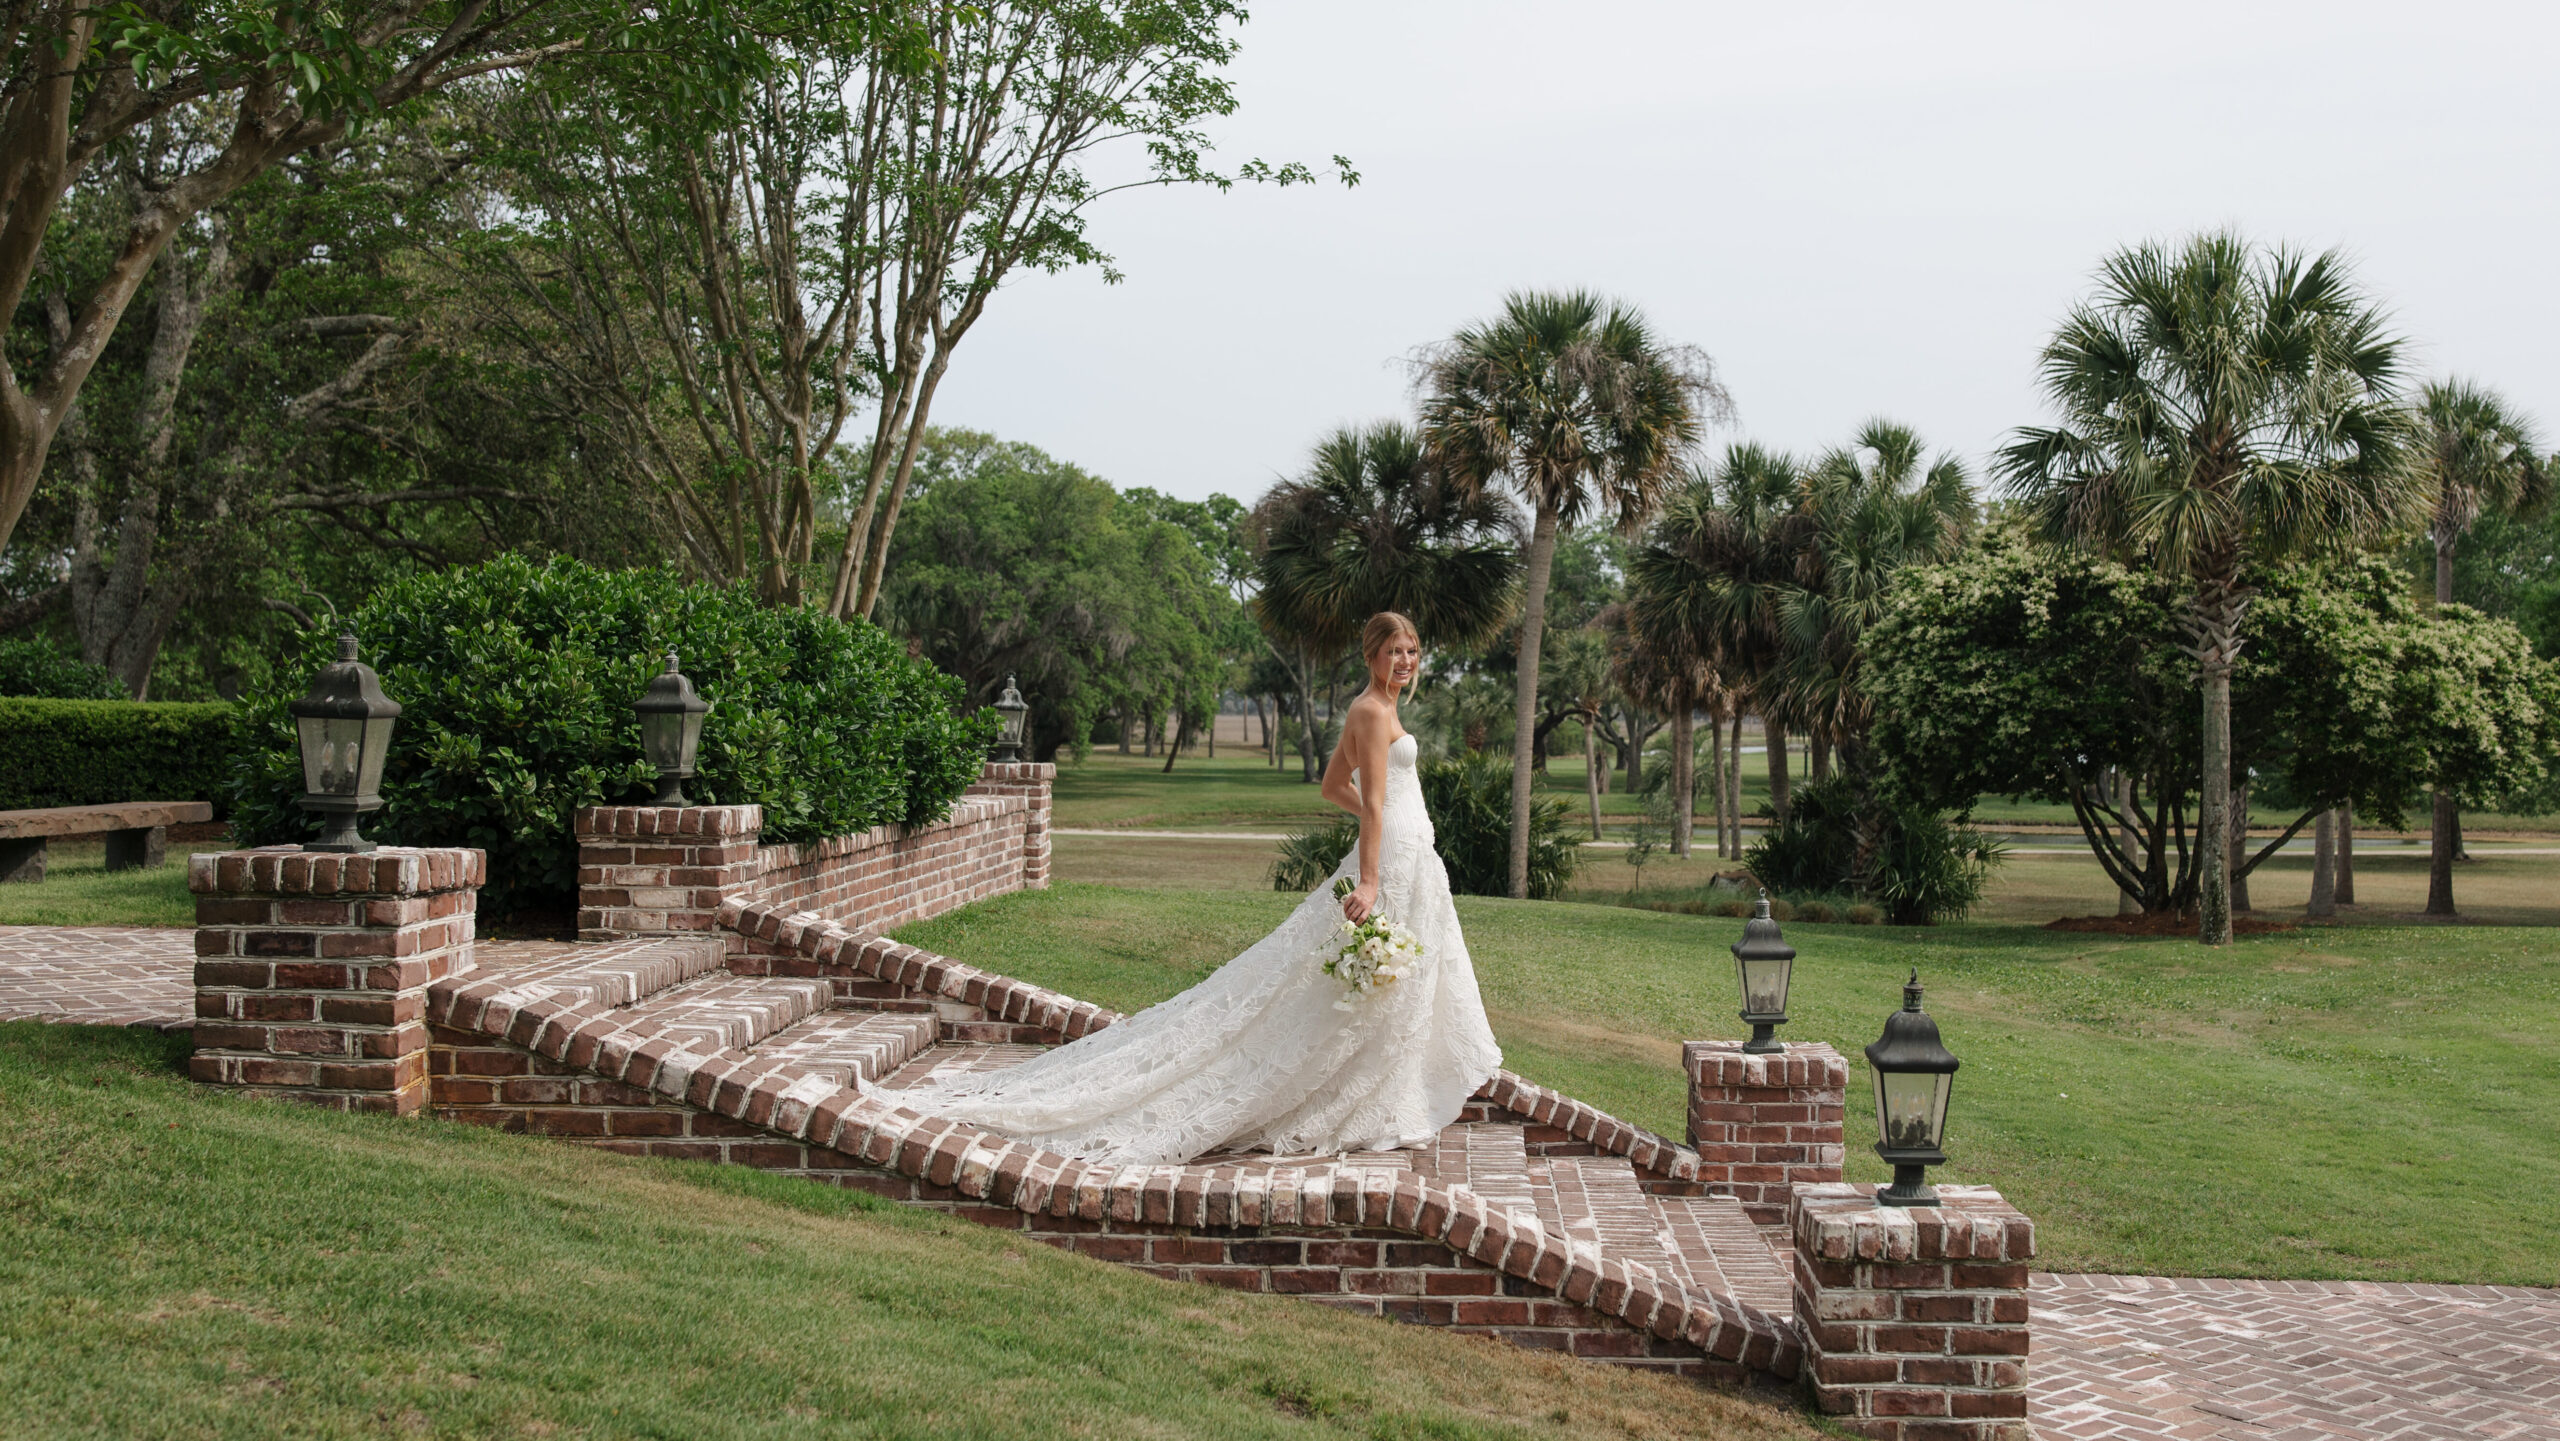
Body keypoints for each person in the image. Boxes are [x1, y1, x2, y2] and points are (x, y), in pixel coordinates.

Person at [896, 611, 1502, 1164]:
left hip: (1409, 853)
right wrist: (1369, 876)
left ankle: (1383, 1089)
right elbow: (1366, 800)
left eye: (1414, 650)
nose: (1406, 660)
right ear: (1371, 655)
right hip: (1391, 864)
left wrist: (1393, 817)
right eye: (1395, 650)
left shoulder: (1382, 709)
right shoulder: (1370, 711)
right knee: (1346, 977)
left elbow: (1331, 786)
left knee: (1389, 980)